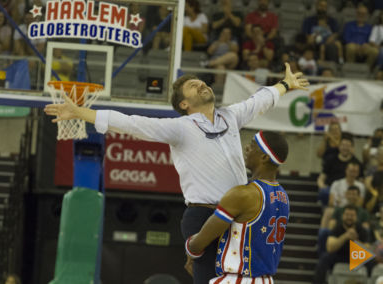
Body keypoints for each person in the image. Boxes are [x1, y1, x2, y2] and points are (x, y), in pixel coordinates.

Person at [44, 63, 309, 284]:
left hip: (237, 215)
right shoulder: (180, 128)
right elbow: (131, 124)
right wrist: (80, 112)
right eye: (193, 86)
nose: (202, 85)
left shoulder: (231, 116)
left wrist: (284, 85)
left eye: (201, 82)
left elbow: (259, 101)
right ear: (184, 103)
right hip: (204, 214)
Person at [186, 131, 289, 283]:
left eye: (252, 145)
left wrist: (190, 249)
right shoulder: (283, 196)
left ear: (265, 157)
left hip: (239, 279)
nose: (247, 148)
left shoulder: (243, 194)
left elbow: (201, 241)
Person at [314, 204, 370, 284]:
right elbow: (330, 247)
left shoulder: (362, 230)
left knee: (371, 262)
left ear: (356, 217)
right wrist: (345, 236)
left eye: (352, 215)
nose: (349, 217)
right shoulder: (337, 228)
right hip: (339, 256)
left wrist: (355, 240)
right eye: (347, 215)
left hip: (356, 257)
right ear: (342, 216)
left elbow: (368, 249)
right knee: (324, 258)